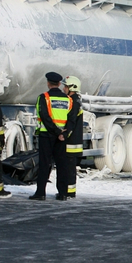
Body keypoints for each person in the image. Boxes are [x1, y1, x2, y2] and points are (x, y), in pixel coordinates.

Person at [30, 72, 74, 201]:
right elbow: (72, 120)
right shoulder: (68, 100)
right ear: (59, 84)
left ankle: (40, 193)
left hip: (47, 135)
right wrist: (63, 134)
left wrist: (56, 132)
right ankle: (63, 193)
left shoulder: (44, 97)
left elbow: (45, 117)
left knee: (44, 164)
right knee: (62, 164)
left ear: (48, 83)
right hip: (61, 138)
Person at [63, 76, 83, 199]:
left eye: (66, 86)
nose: (64, 88)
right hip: (74, 142)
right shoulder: (76, 100)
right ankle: (69, 190)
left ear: (72, 88)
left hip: (71, 142)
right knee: (69, 168)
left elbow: (71, 121)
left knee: (69, 169)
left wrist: (65, 134)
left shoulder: (73, 102)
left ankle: (70, 192)